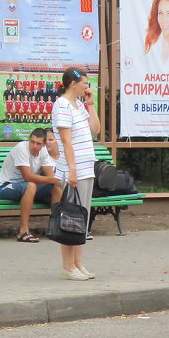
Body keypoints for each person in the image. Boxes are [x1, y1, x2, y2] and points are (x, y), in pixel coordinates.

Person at [52, 67, 100, 281]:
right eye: (84, 83)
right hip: (74, 169)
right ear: (73, 83)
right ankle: (68, 266)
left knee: (82, 216)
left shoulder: (79, 105)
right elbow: (66, 141)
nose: (86, 87)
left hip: (86, 167)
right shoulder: (62, 105)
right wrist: (72, 169)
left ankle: (79, 263)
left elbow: (95, 129)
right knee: (70, 215)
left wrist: (90, 104)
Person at [0, 129, 60, 242]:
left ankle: (54, 228)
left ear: (44, 144)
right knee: (31, 185)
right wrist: (52, 179)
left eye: (38, 143)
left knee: (57, 186)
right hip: (5, 187)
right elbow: (27, 177)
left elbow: (50, 176)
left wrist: (55, 181)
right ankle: (23, 232)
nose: (34, 146)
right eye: (32, 142)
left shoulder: (43, 151)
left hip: (28, 188)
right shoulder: (21, 148)